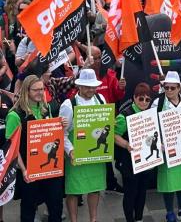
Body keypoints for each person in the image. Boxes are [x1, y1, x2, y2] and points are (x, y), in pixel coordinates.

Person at [5, 75, 62, 222]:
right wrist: (23, 170)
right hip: (29, 170)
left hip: (49, 169)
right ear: (26, 91)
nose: (40, 92)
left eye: (42, 89)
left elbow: (50, 135)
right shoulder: (15, 115)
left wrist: (60, 126)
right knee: (29, 209)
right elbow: (12, 149)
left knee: (56, 205)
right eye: (36, 90)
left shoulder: (46, 108)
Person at [59, 69, 107, 222]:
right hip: (76, 152)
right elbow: (63, 133)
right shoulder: (68, 104)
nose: (91, 90)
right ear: (79, 86)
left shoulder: (101, 100)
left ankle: (93, 219)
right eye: (87, 87)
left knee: (95, 188)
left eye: (93, 86)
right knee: (73, 190)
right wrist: (71, 151)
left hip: (95, 153)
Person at [151, 71, 181, 222]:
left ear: (179, 88)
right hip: (167, 149)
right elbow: (150, 125)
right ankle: (169, 211)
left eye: (172, 88)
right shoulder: (157, 103)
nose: (169, 91)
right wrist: (159, 144)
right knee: (169, 183)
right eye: (166, 87)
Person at [114, 83, 155, 222]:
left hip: (145, 161)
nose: (144, 102)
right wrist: (126, 144)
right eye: (140, 98)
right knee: (130, 193)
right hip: (129, 162)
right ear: (134, 98)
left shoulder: (151, 114)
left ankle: (139, 218)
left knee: (142, 192)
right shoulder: (124, 115)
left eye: (147, 99)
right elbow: (114, 135)